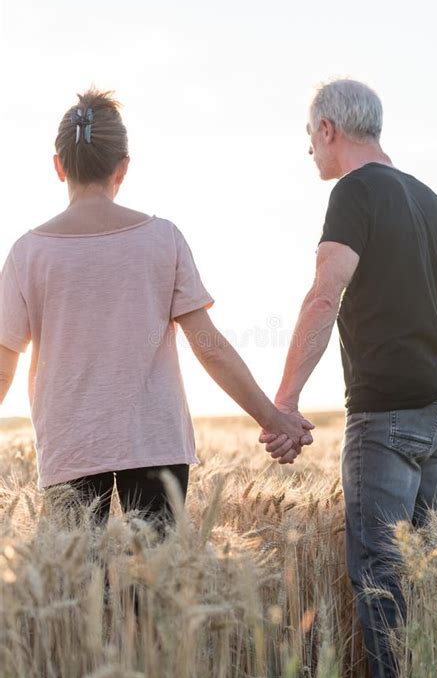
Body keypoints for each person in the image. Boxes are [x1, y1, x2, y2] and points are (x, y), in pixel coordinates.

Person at [0, 87, 314, 535]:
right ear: (123, 168)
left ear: (58, 165)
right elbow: (209, 347)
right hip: (155, 446)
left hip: (69, 447)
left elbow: (2, 368)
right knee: (154, 592)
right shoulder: (162, 239)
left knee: (75, 592)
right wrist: (272, 417)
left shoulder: (27, 253)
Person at [259, 78, 437, 678]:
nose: (309, 151)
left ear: (329, 129)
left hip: (388, 415)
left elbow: (325, 297)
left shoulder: (355, 192)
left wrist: (284, 399)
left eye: (309, 136)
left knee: (381, 580)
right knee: (429, 574)